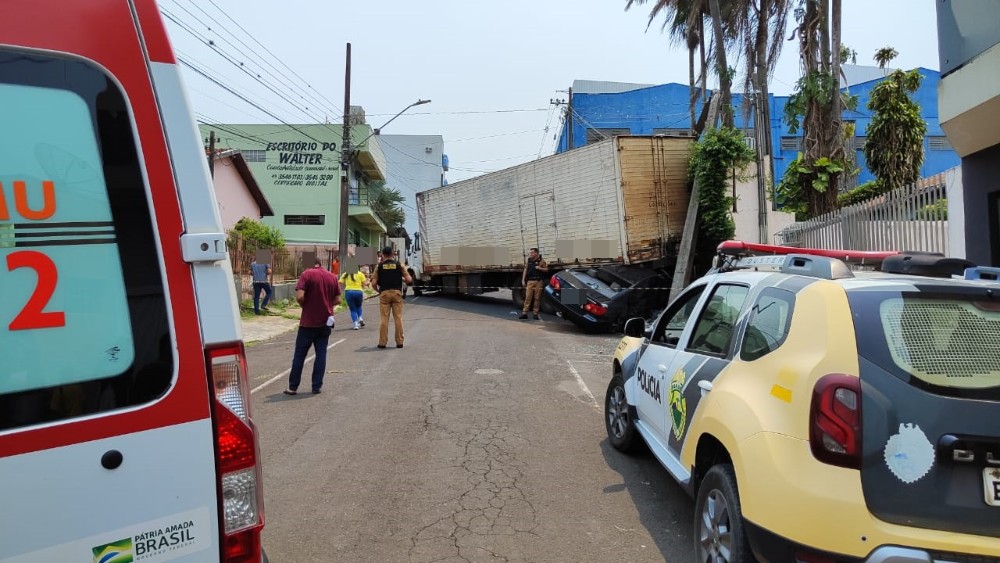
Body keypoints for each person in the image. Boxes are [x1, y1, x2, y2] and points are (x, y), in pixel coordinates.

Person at [284, 259, 342, 395]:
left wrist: (306, 306)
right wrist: (327, 305)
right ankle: (316, 386)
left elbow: (299, 296)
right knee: (321, 354)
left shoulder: (306, 274)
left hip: (308, 322)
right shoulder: (332, 277)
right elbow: (339, 299)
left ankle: (293, 387)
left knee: (300, 355)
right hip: (326, 321)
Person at [371, 246, 412, 349]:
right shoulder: (399, 265)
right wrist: (402, 278)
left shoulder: (379, 266)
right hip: (397, 293)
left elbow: (374, 283)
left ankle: (382, 343)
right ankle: (399, 342)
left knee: (384, 319)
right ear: (393, 254)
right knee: (398, 318)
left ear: (383, 255)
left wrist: (378, 291)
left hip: (384, 293)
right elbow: (409, 279)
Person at [520, 247, 548, 320]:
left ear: (536, 253)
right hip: (530, 281)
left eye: (532, 253)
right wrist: (523, 280)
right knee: (528, 297)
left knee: (537, 298)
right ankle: (524, 313)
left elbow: (546, 269)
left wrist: (540, 268)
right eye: (530, 253)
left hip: (539, 282)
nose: (530, 254)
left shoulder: (541, 261)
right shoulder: (529, 261)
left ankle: (535, 313)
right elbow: (525, 270)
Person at [339, 264, 367, 330]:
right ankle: (360, 317)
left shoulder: (345, 274)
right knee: (359, 306)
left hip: (348, 292)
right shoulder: (360, 274)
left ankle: (355, 324)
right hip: (358, 292)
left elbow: (339, 282)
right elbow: (364, 284)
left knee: (353, 309)